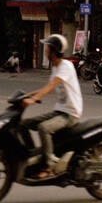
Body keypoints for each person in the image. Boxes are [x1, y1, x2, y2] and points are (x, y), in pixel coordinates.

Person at [22, 34, 82, 177]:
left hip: (70, 114)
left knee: (44, 128)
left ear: (54, 51)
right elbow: (48, 87)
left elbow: (51, 86)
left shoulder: (65, 66)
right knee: (24, 124)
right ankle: (32, 157)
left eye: (47, 48)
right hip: (60, 111)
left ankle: (50, 166)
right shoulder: (55, 67)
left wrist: (33, 99)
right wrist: (27, 95)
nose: (45, 51)